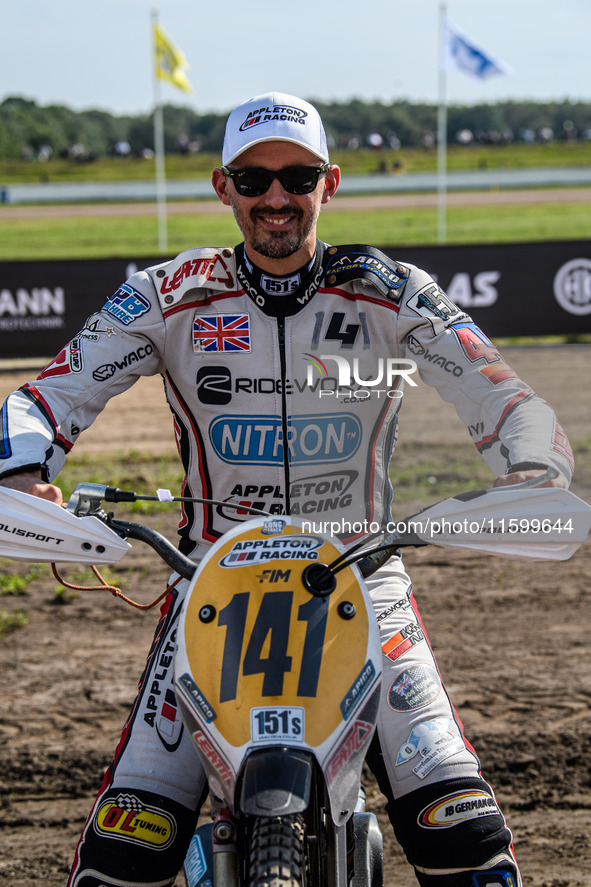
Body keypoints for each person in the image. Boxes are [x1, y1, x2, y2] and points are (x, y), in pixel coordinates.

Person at [0, 92, 574, 887]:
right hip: (210, 592)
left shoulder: (391, 290)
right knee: (117, 858)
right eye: (253, 177)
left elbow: (510, 398)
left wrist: (532, 473)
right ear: (222, 186)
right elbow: (43, 397)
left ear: (328, 184)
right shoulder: (169, 294)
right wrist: (22, 472)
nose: (276, 197)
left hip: (363, 580)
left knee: (468, 841)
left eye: (297, 176)